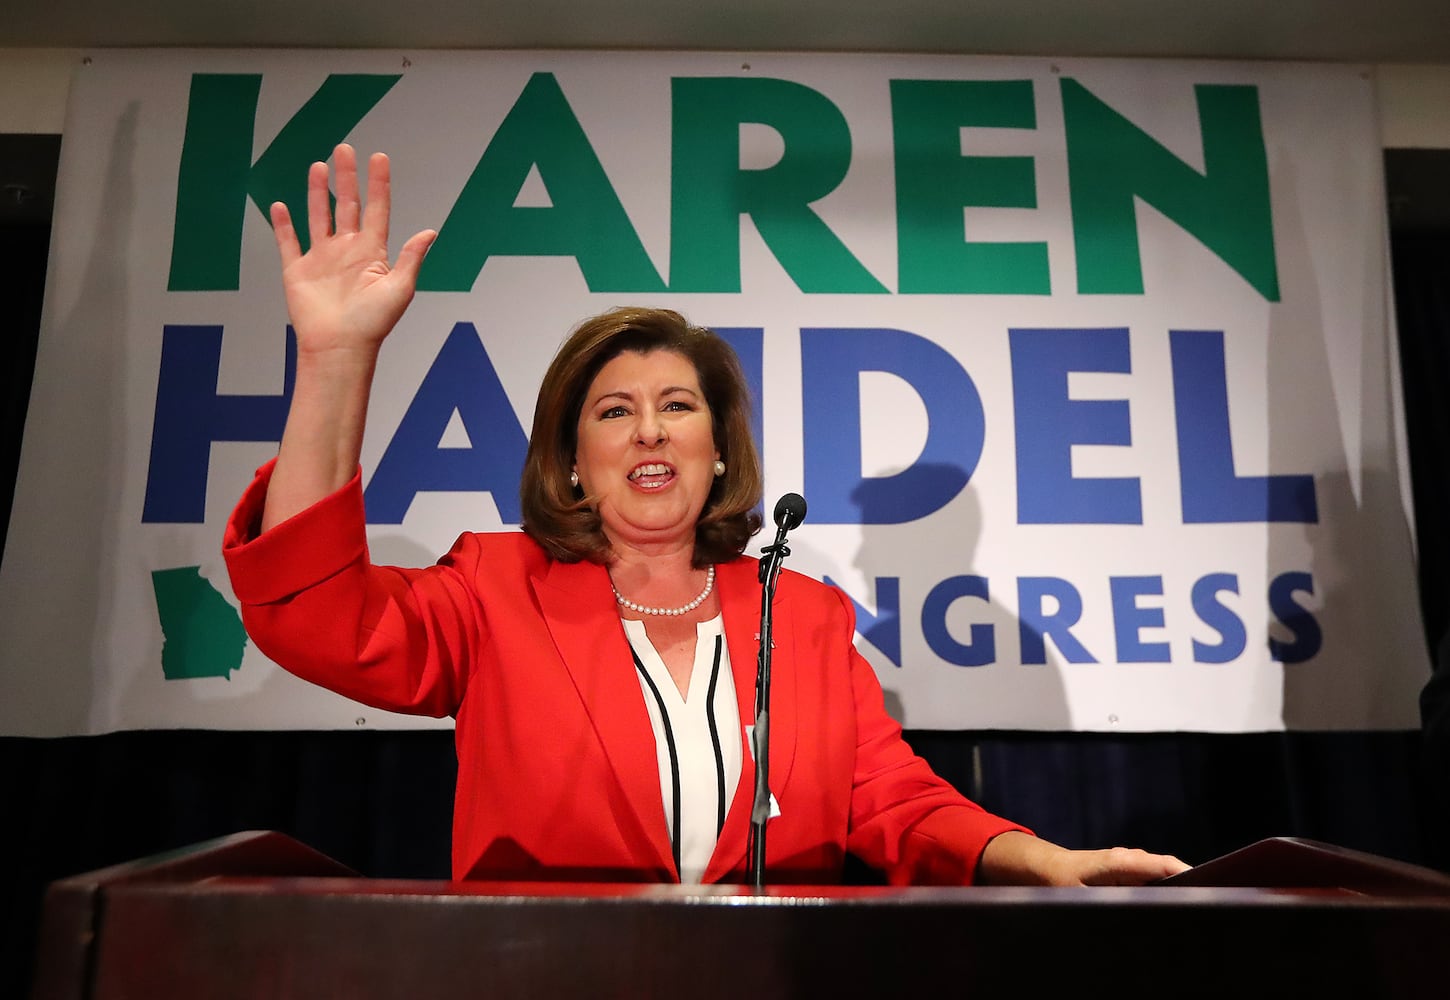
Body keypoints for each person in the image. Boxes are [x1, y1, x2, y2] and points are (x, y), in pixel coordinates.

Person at [223, 143, 1189, 887]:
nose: (650, 430)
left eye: (677, 406)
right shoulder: (495, 589)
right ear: (573, 461)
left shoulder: (801, 617)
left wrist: (1042, 860)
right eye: (615, 412)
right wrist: (335, 361)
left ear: (718, 447)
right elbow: (315, 617)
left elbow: (892, 797)